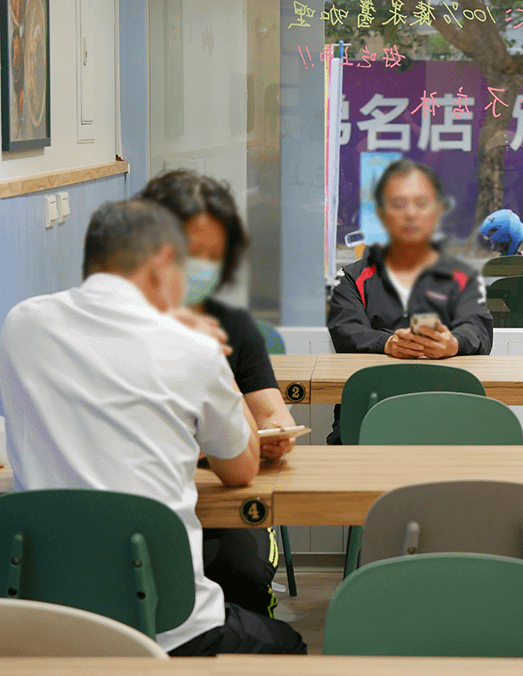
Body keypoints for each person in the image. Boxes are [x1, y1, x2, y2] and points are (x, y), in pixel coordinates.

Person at [0, 200, 306, 655]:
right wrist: (216, 360)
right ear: (163, 263)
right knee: (290, 645)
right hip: (171, 627)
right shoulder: (191, 347)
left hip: (48, 622)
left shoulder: (21, 324)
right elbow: (240, 471)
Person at [138, 170, 293, 618]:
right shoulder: (114, 326)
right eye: (189, 253)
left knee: (241, 573)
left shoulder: (233, 325)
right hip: (141, 502)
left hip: (223, 505)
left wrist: (275, 433)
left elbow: (271, 412)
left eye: (213, 258)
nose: (199, 269)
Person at [327, 159, 493, 444]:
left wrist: (453, 343)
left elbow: (477, 327)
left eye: (421, 203)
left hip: (446, 412)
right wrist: (388, 344)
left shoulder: (462, 278)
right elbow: (348, 332)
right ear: (380, 214)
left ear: (437, 212)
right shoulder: (351, 278)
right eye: (398, 204)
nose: (410, 214)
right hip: (367, 412)